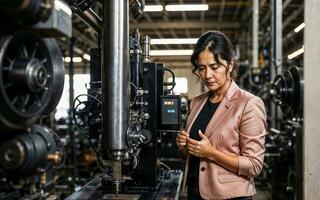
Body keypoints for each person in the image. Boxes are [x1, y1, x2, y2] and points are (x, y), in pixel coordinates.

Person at [176, 31, 267, 200]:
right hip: (195, 193)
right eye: (202, 68)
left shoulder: (249, 104)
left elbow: (254, 165)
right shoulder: (196, 103)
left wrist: (211, 153)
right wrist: (184, 147)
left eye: (215, 67)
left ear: (230, 64)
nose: (207, 75)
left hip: (230, 196)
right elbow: (192, 156)